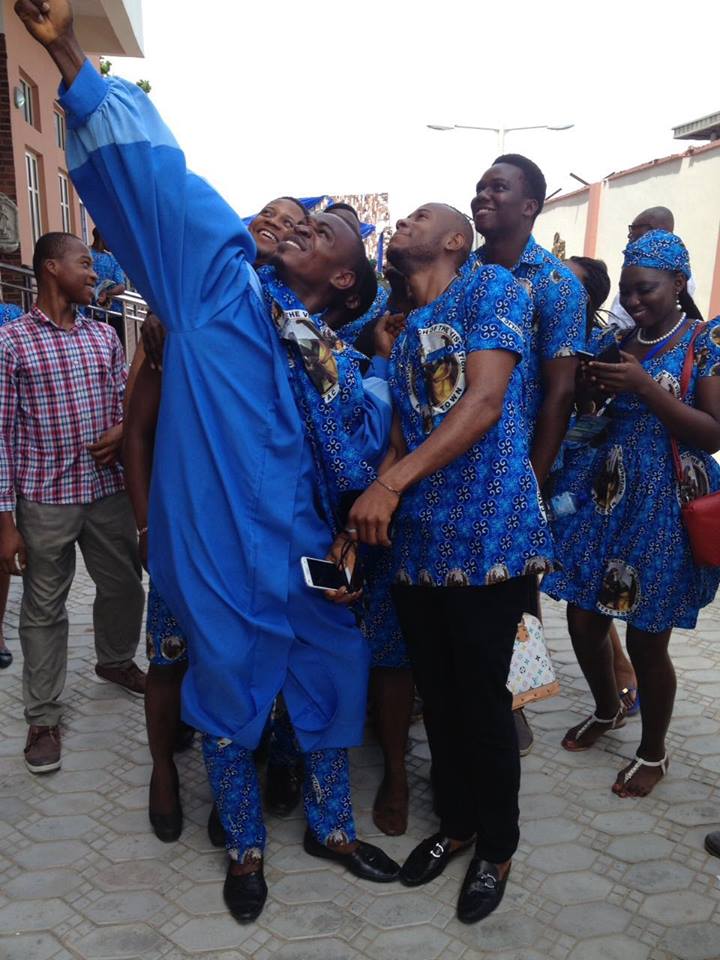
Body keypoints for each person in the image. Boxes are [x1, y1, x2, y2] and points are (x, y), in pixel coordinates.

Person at [15, 0, 399, 923]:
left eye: (328, 227)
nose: (305, 221)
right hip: (215, 545)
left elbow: (366, 461)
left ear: (348, 276)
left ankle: (333, 830)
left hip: (307, 556)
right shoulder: (217, 289)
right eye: (306, 214)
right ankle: (247, 851)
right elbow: (164, 188)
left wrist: (353, 545)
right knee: (224, 687)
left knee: (330, 678)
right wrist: (69, 54)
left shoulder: (347, 359)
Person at [348, 202, 555, 923]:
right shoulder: (405, 333)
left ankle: (497, 847)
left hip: (489, 540)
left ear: (454, 241)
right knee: (439, 699)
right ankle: (457, 825)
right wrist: (370, 504)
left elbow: (486, 401)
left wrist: (389, 485)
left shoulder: (494, 290)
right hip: (420, 547)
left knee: (485, 707)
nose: (400, 224)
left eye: (417, 217)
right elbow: (404, 438)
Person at [123, 197, 315, 843]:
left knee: (248, 661)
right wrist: (148, 526)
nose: (280, 227)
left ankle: (236, 787)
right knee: (170, 655)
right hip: (188, 530)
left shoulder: (288, 325)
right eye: (271, 214)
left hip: (259, 539)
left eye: (297, 226)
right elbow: (138, 434)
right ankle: (162, 772)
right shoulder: (181, 312)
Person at [542, 229, 720, 798]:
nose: (635, 301)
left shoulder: (703, 340)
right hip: (606, 497)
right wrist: (595, 391)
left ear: (678, 283)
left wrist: (646, 387)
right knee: (582, 618)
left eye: (645, 290)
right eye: (628, 290)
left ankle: (653, 752)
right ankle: (607, 707)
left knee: (647, 639)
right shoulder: (619, 339)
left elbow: (713, 435)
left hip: (665, 505)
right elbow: (598, 418)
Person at [0, 231, 146, 773]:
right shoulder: (11, 343)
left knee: (126, 588)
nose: (94, 273)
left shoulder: (103, 339)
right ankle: (41, 718)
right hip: (45, 500)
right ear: (50, 268)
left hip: (106, 493)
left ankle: (114, 661)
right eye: (84, 264)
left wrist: (122, 426)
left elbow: (121, 406)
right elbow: (1, 435)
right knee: (43, 609)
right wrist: (5, 522)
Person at [471, 153, 587, 754]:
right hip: (462, 457)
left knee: (520, 591)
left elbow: (561, 389)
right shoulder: (467, 272)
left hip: (521, 464)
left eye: (499, 187)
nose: (483, 194)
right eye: (480, 185)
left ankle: (518, 704)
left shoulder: (556, 284)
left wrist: (533, 480)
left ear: (531, 205)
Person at [608, 208, 700, 330]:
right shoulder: (616, 340)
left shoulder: (703, 344)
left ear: (678, 283)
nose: (632, 302)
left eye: (645, 290)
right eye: (625, 292)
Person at [90, 226, 127, 344]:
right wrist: (106, 293)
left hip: (92, 311)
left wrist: (101, 293)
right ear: (102, 238)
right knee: (116, 346)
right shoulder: (113, 259)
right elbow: (121, 287)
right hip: (111, 312)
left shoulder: (85, 256)